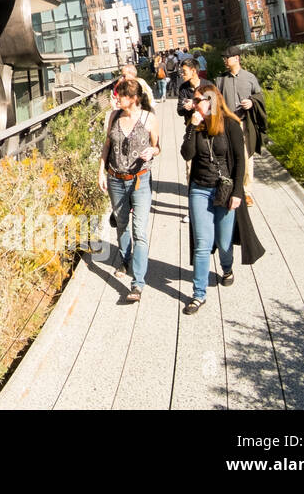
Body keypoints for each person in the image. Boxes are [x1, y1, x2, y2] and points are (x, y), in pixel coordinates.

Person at [179, 84, 264, 313]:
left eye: (198, 100)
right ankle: (199, 294)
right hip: (199, 188)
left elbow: (240, 160)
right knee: (202, 243)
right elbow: (186, 154)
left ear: (211, 101)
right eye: (194, 101)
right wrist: (192, 126)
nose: (194, 104)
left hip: (225, 190)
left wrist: (238, 192)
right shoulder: (196, 126)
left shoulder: (230, 125)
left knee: (224, 242)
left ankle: (227, 268)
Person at [98, 79, 161, 302]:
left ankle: (138, 284)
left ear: (133, 98)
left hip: (140, 181)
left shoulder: (148, 118)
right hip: (115, 178)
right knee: (122, 224)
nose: (117, 98)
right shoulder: (114, 116)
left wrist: (151, 152)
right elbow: (107, 145)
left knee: (140, 232)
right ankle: (125, 260)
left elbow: (157, 146)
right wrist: (101, 172)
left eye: (121, 95)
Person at [216, 48, 266, 203]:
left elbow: (259, 96)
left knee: (245, 156)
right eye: (224, 58)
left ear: (236, 58)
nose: (225, 60)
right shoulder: (220, 79)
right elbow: (215, 101)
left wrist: (251, 102)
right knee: (225, 155)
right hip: (226, 125)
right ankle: (227, 186)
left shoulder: (250, 77)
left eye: (227, 57)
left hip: (244, 124)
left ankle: (246, 191)